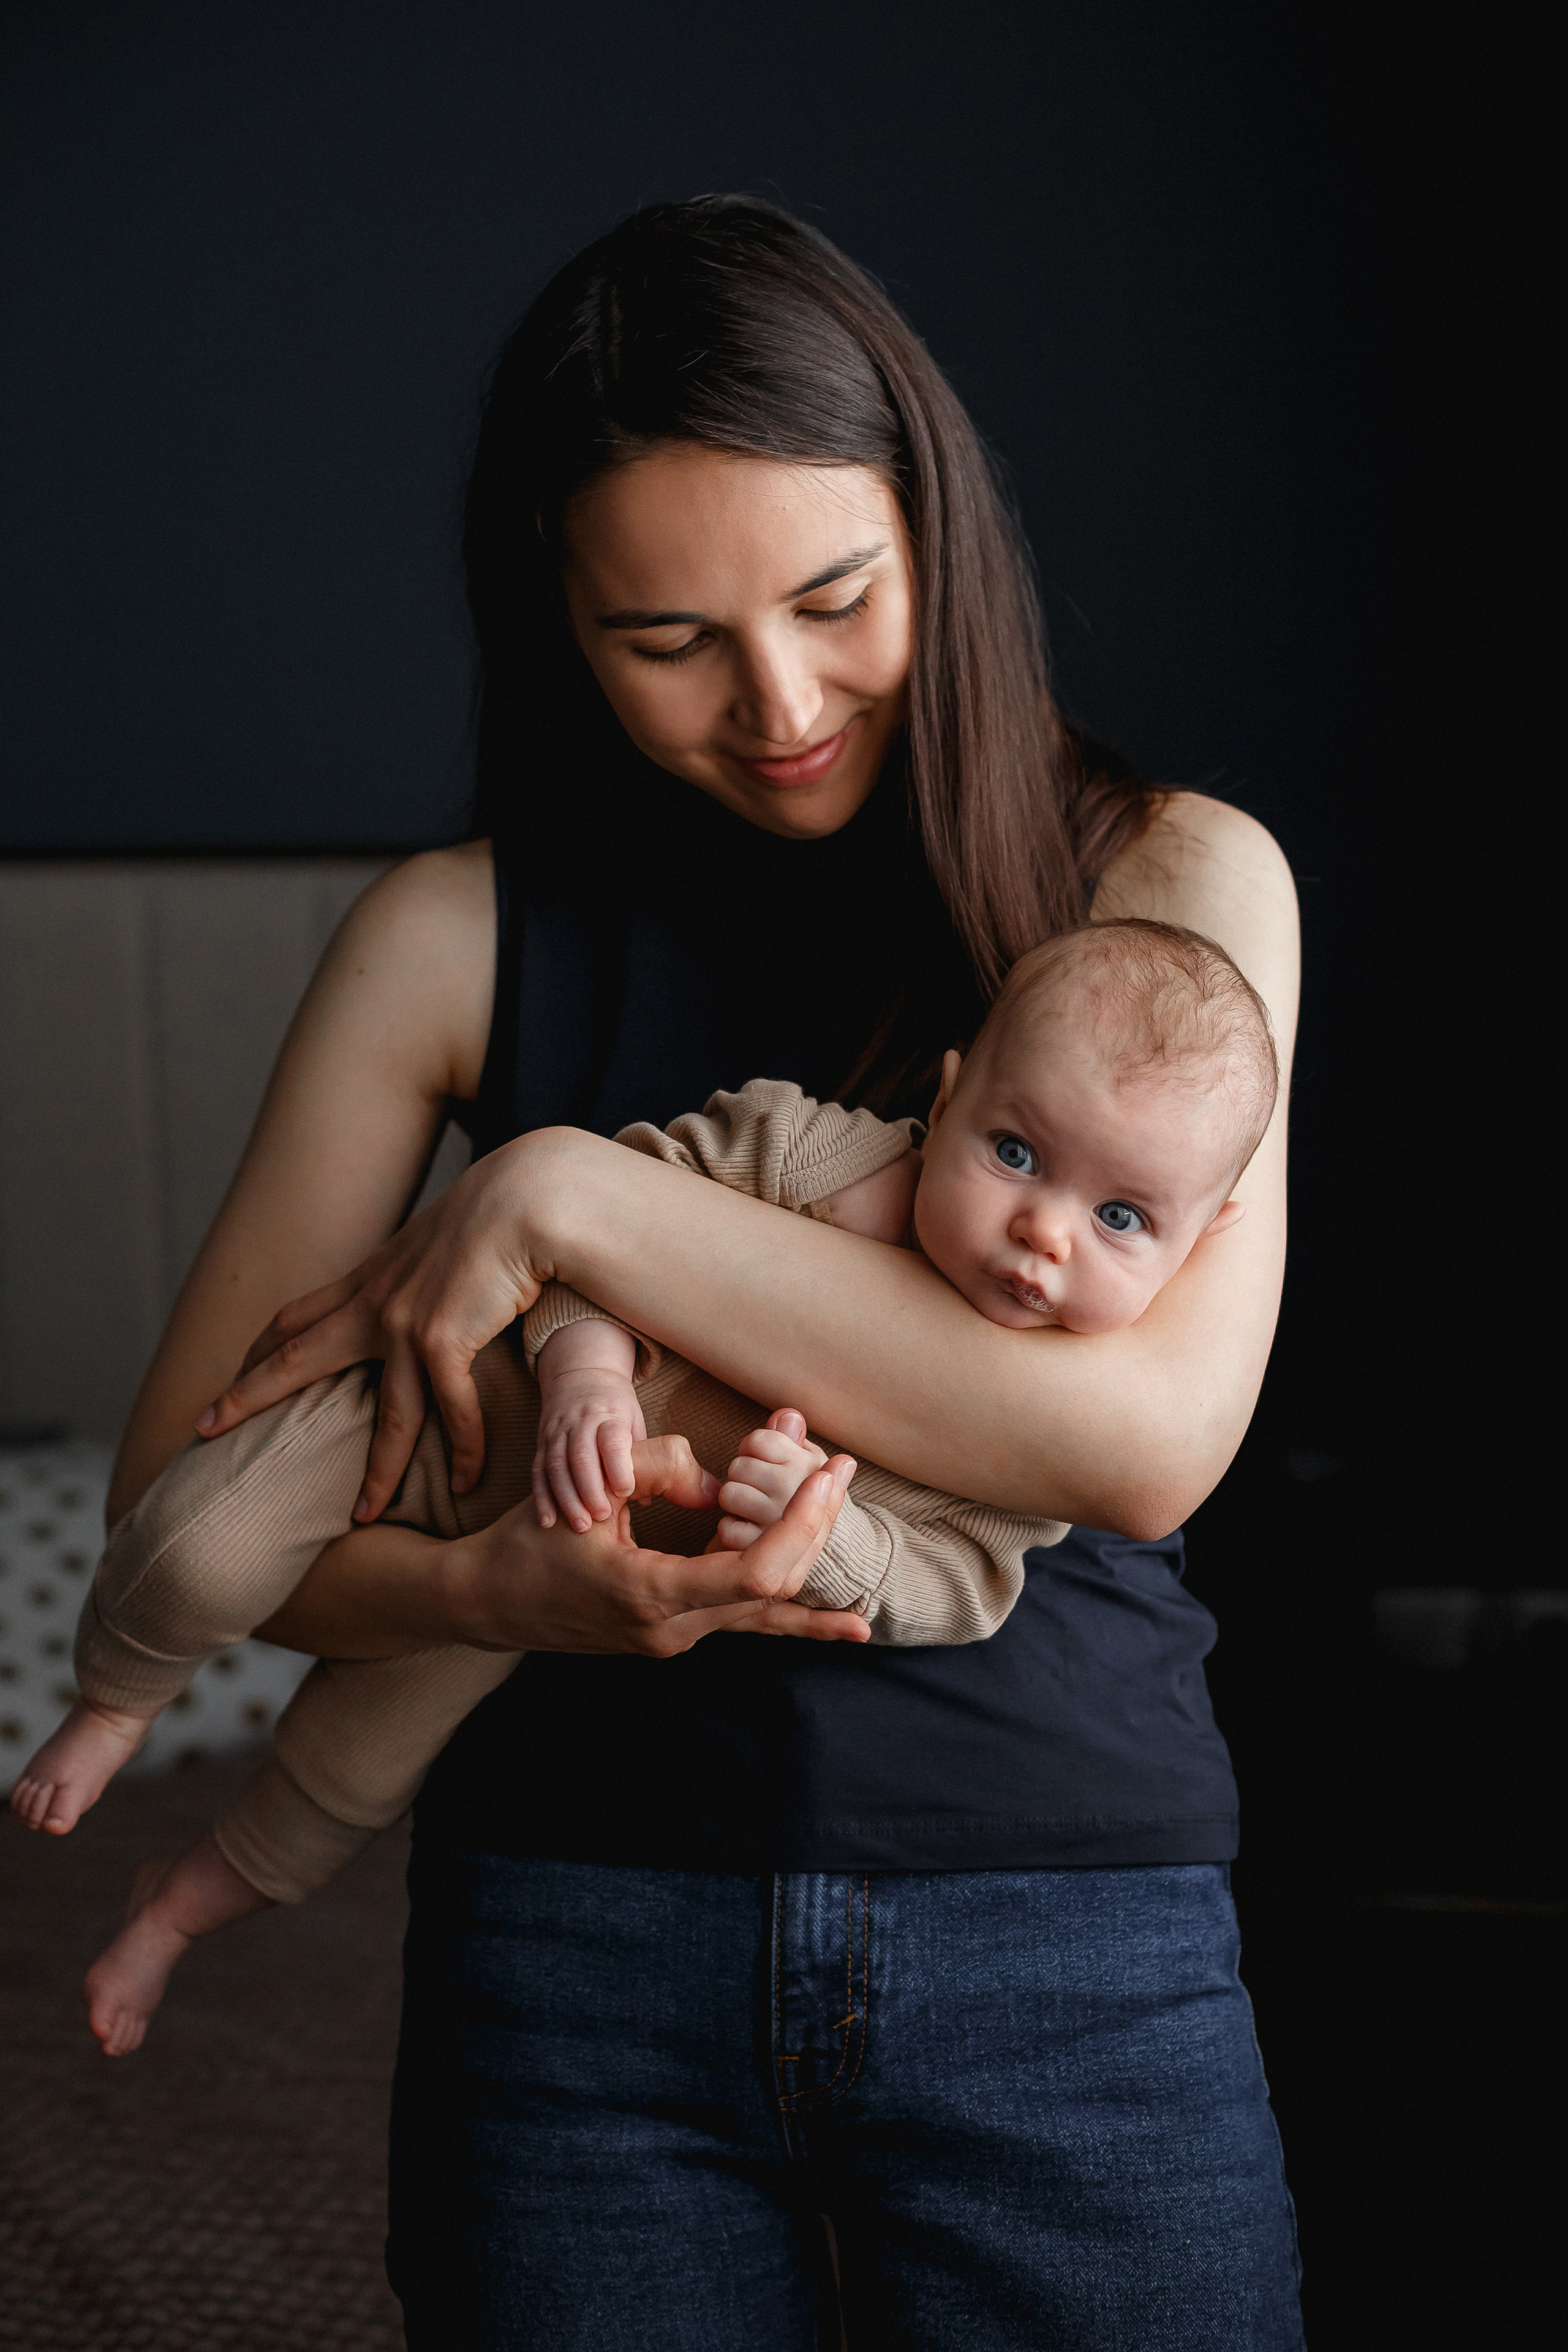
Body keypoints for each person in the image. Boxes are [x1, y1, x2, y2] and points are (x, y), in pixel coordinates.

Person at [94, 198, 1303, 2347]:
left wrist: (572, 1197)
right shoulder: (446, 939)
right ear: (554, 613)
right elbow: (190, 1516)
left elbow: (1135, 1443)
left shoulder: (1169, 880)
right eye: (667, 642)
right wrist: (489, 1593)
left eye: (839, 600)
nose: (780, 704)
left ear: (940, 535)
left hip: (1066, 1938)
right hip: (574, 1957)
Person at [20, 918, 1275, 2068]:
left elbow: (959, 1587)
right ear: (946, 1101)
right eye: (1013, 1152)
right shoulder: (809, 1155)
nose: (1041, 1234)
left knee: (342, 1788)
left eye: (1118, 1216)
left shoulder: (1043, 1426)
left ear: (1203, 1238)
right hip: (433, 1413)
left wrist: (832, 1536)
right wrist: (584, 1372)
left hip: (534, 1580)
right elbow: (591, 1220)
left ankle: (176, 1908)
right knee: (200, 1553)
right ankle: (117, 1699)